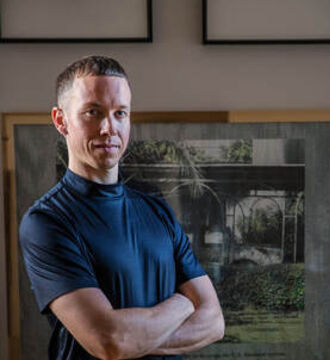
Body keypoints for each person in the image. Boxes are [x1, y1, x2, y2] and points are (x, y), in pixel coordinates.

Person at [19, 55, 225, 360]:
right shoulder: (47, 222)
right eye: (93, 112)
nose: (109, 128)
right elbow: (110, 341)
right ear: (61, 120)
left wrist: (133, 340)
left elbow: (213, 322)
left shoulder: (155, 207)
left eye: (120, 113)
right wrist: (182, 304)